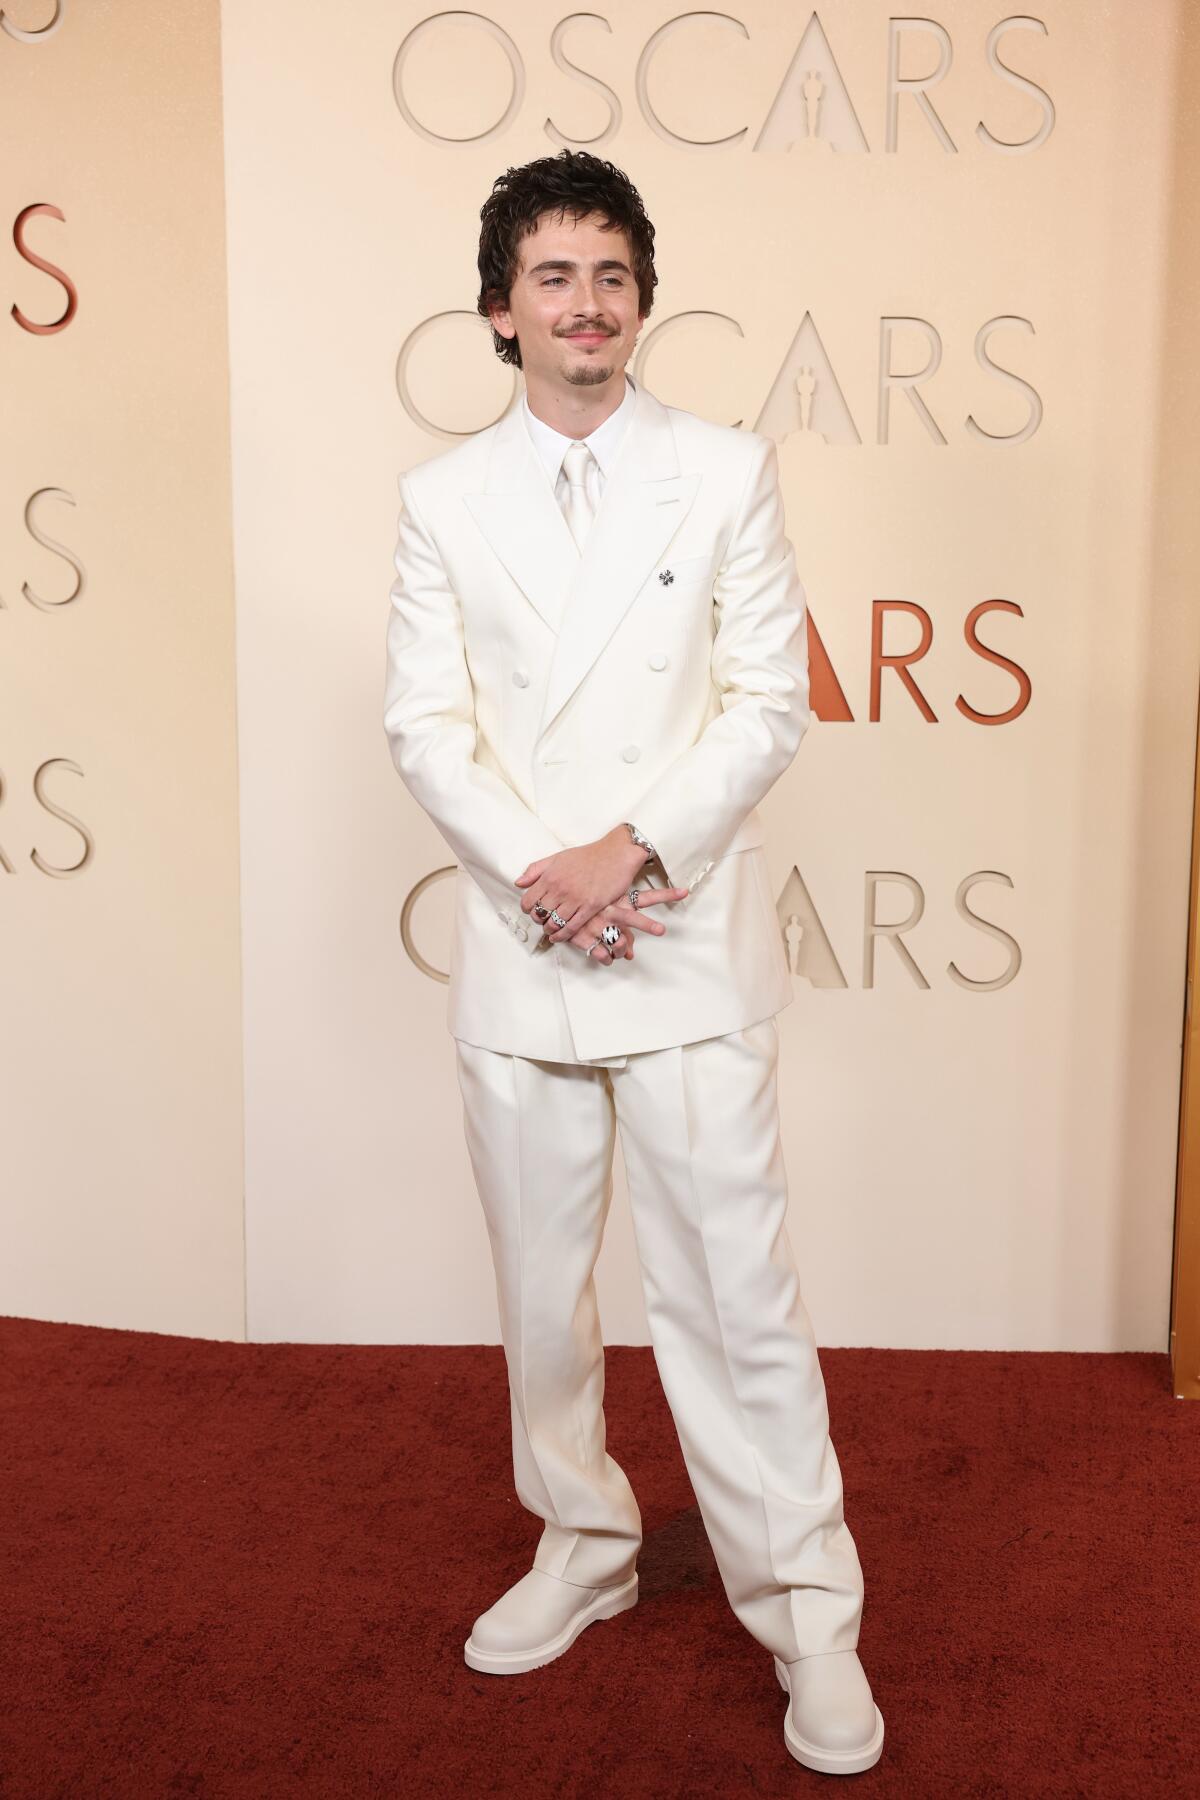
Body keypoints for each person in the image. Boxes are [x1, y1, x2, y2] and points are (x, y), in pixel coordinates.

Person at [383, 148, 884, 1777]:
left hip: (679, 943)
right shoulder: (440, 501)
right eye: (552, 276)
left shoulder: (726, 470)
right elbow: (424, 726)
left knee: (737, 1305)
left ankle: (812, 1617)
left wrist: (633, 857)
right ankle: (584, 1551)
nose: (584, 303)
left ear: (641, 299)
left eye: (609, 273)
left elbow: (765, 705)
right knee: (543, 1301)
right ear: (498, 312)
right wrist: (551, 879)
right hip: (527, 948)